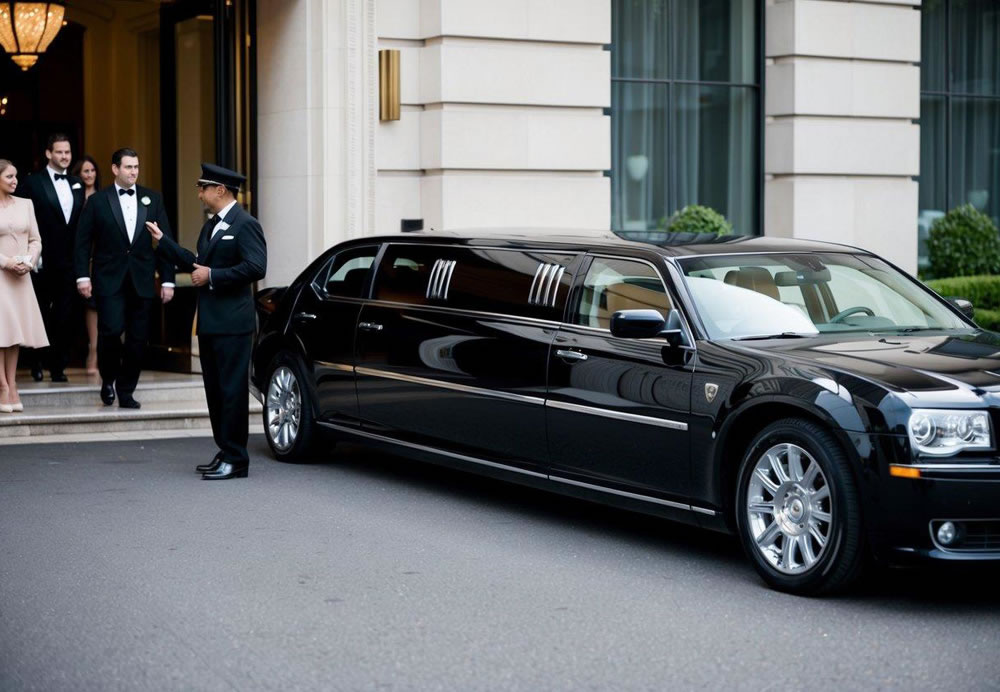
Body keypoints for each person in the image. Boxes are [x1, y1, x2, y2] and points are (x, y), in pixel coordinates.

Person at [146, 163, 266, 480]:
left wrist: (213, 276)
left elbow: (257, 266)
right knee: (215, 392)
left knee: (232, 392)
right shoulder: (211, 226)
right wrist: (164, 242)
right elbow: (197, 264)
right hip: (211, 323)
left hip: (234, 324)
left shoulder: (246, 224)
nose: (199, 194)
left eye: (203, 188)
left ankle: (237, 459)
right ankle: (225, 450)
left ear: (220, 190)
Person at [74, 148, 175, 409]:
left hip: (142, 279)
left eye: (136, 167)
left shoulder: (153, 199)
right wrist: (83, 276)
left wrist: (167, 280)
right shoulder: (98, 201)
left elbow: (165, 241)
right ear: (115, 169)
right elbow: (82, 242)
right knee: (110, 332)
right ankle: (108, 379)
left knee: (138, 338)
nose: (133, 172)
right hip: (108, 279)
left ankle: (126, 390)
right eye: (128, 167)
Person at [16, 134, 85, 383]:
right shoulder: (32, 183)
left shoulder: (77, 183)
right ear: (48, 154)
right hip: (41, 260)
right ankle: (35, 362)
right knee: (39, 313)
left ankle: (58, 366)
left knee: (65, 315)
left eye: (68, 152)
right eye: (59, 152)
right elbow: (22, 219)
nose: (64, 156)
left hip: (69, 261)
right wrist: (28, 254)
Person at [0, 160, 49, 413]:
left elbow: (36, 239)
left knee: (14, 335)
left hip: (21, 276)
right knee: (2, 332)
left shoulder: (25, 204)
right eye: (9, 176)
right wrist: (7, 262)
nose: (15, 180)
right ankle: (2, 386)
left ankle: (12, 383)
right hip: (1, 274)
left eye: (15, 176)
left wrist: (29, 260)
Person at [71, 154, 101, 375]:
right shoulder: (72, 197)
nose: (90, 175)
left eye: (92, 171)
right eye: (85, 171)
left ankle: (95, 351)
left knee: (94, 304)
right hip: (72, 255)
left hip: (97, 257)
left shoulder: (104, 197)